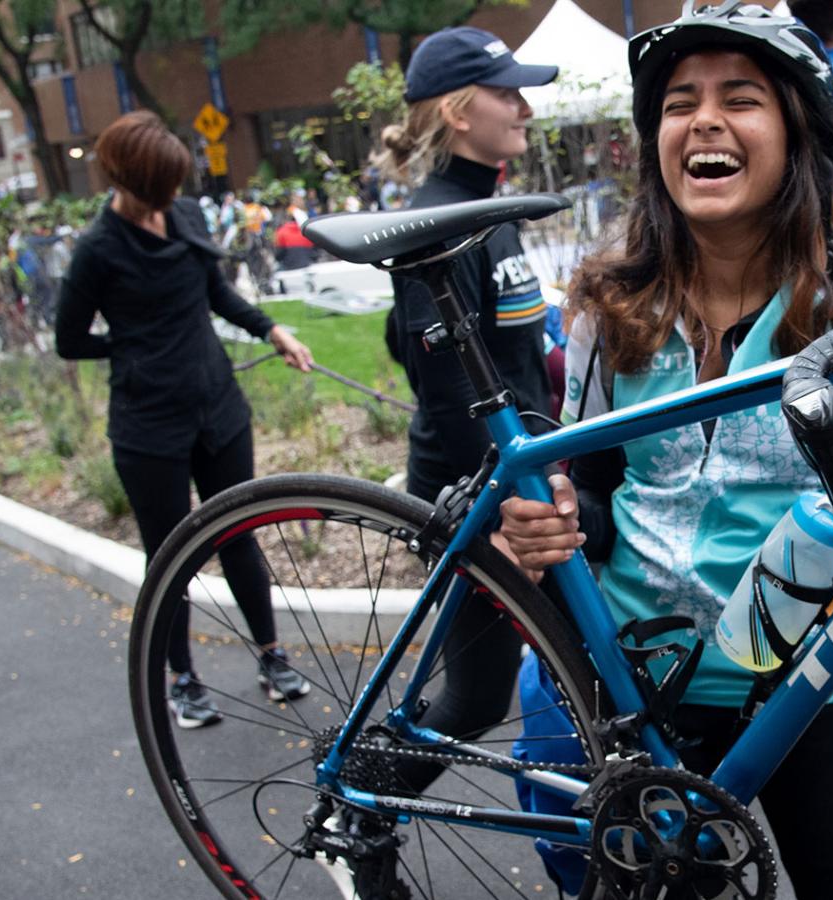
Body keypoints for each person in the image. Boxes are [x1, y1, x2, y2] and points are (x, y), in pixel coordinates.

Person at [499, 5, 833, 897]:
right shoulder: (606, 313)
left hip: (808, 688)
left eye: (741, 98)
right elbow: (596, 493)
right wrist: (552, 524)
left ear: (797, 137)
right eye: (679, 104)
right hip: (633, 682)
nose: (705, 121)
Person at [54, 111, 316, 729]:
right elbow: (69, 340)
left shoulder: (188, 214)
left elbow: (216, 294)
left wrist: (269, 328)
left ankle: (271, 656)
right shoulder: (98, 251)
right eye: (161, 186)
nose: (171, 197)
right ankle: (182, 679)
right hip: (149, 426)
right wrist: (132, 349)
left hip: (217, 406)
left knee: (238, 533)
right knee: (170, 554)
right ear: (129, 177)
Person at [369, 25, 561, 789]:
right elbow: (450, 396)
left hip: (525, 482)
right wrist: (506, 504)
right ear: (457, 112)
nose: (524, 106)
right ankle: (360, 811)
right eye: (507, 92)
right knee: (477, 696)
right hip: (477, 495)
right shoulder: (436, 221)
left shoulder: (486, 204)